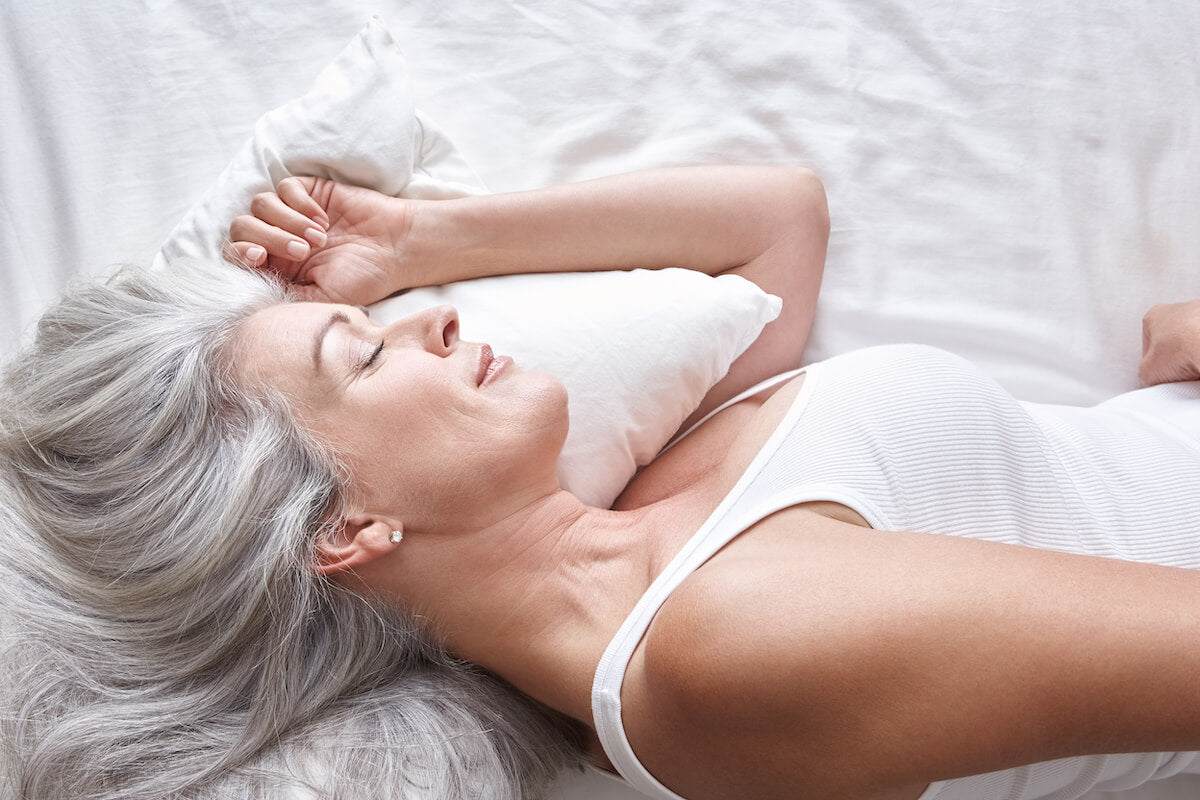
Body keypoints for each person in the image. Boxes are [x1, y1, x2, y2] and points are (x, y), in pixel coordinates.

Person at [1, 166, 1199, 800]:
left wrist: (417, 239)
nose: (429, 324)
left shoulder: (651, 502)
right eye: (363, 350)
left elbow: (776, 218)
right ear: (350, 526)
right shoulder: (725, 647)